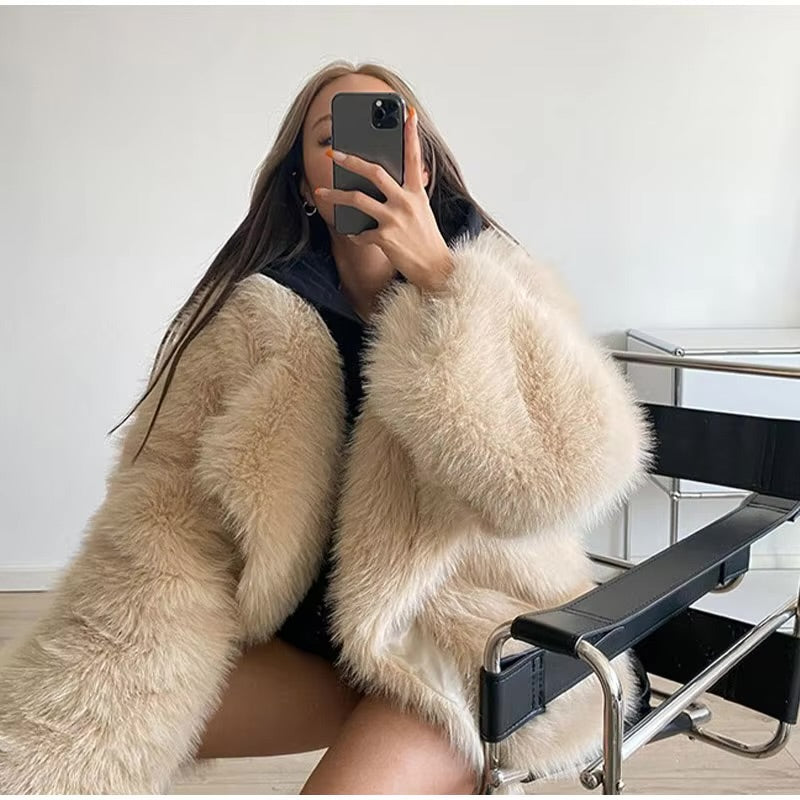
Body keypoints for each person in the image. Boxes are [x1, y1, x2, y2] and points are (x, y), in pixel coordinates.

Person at [0, 60, 653, 795]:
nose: (357, 152)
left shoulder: (505, 287)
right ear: (307, 187)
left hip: (473, 647)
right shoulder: (253, 320)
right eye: (329, 138)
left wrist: (443, 283)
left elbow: (564, 478)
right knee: (67, 746)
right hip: (314, 648)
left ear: (423, 165)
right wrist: (108, 655)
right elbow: (167, 513)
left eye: (386, 129)